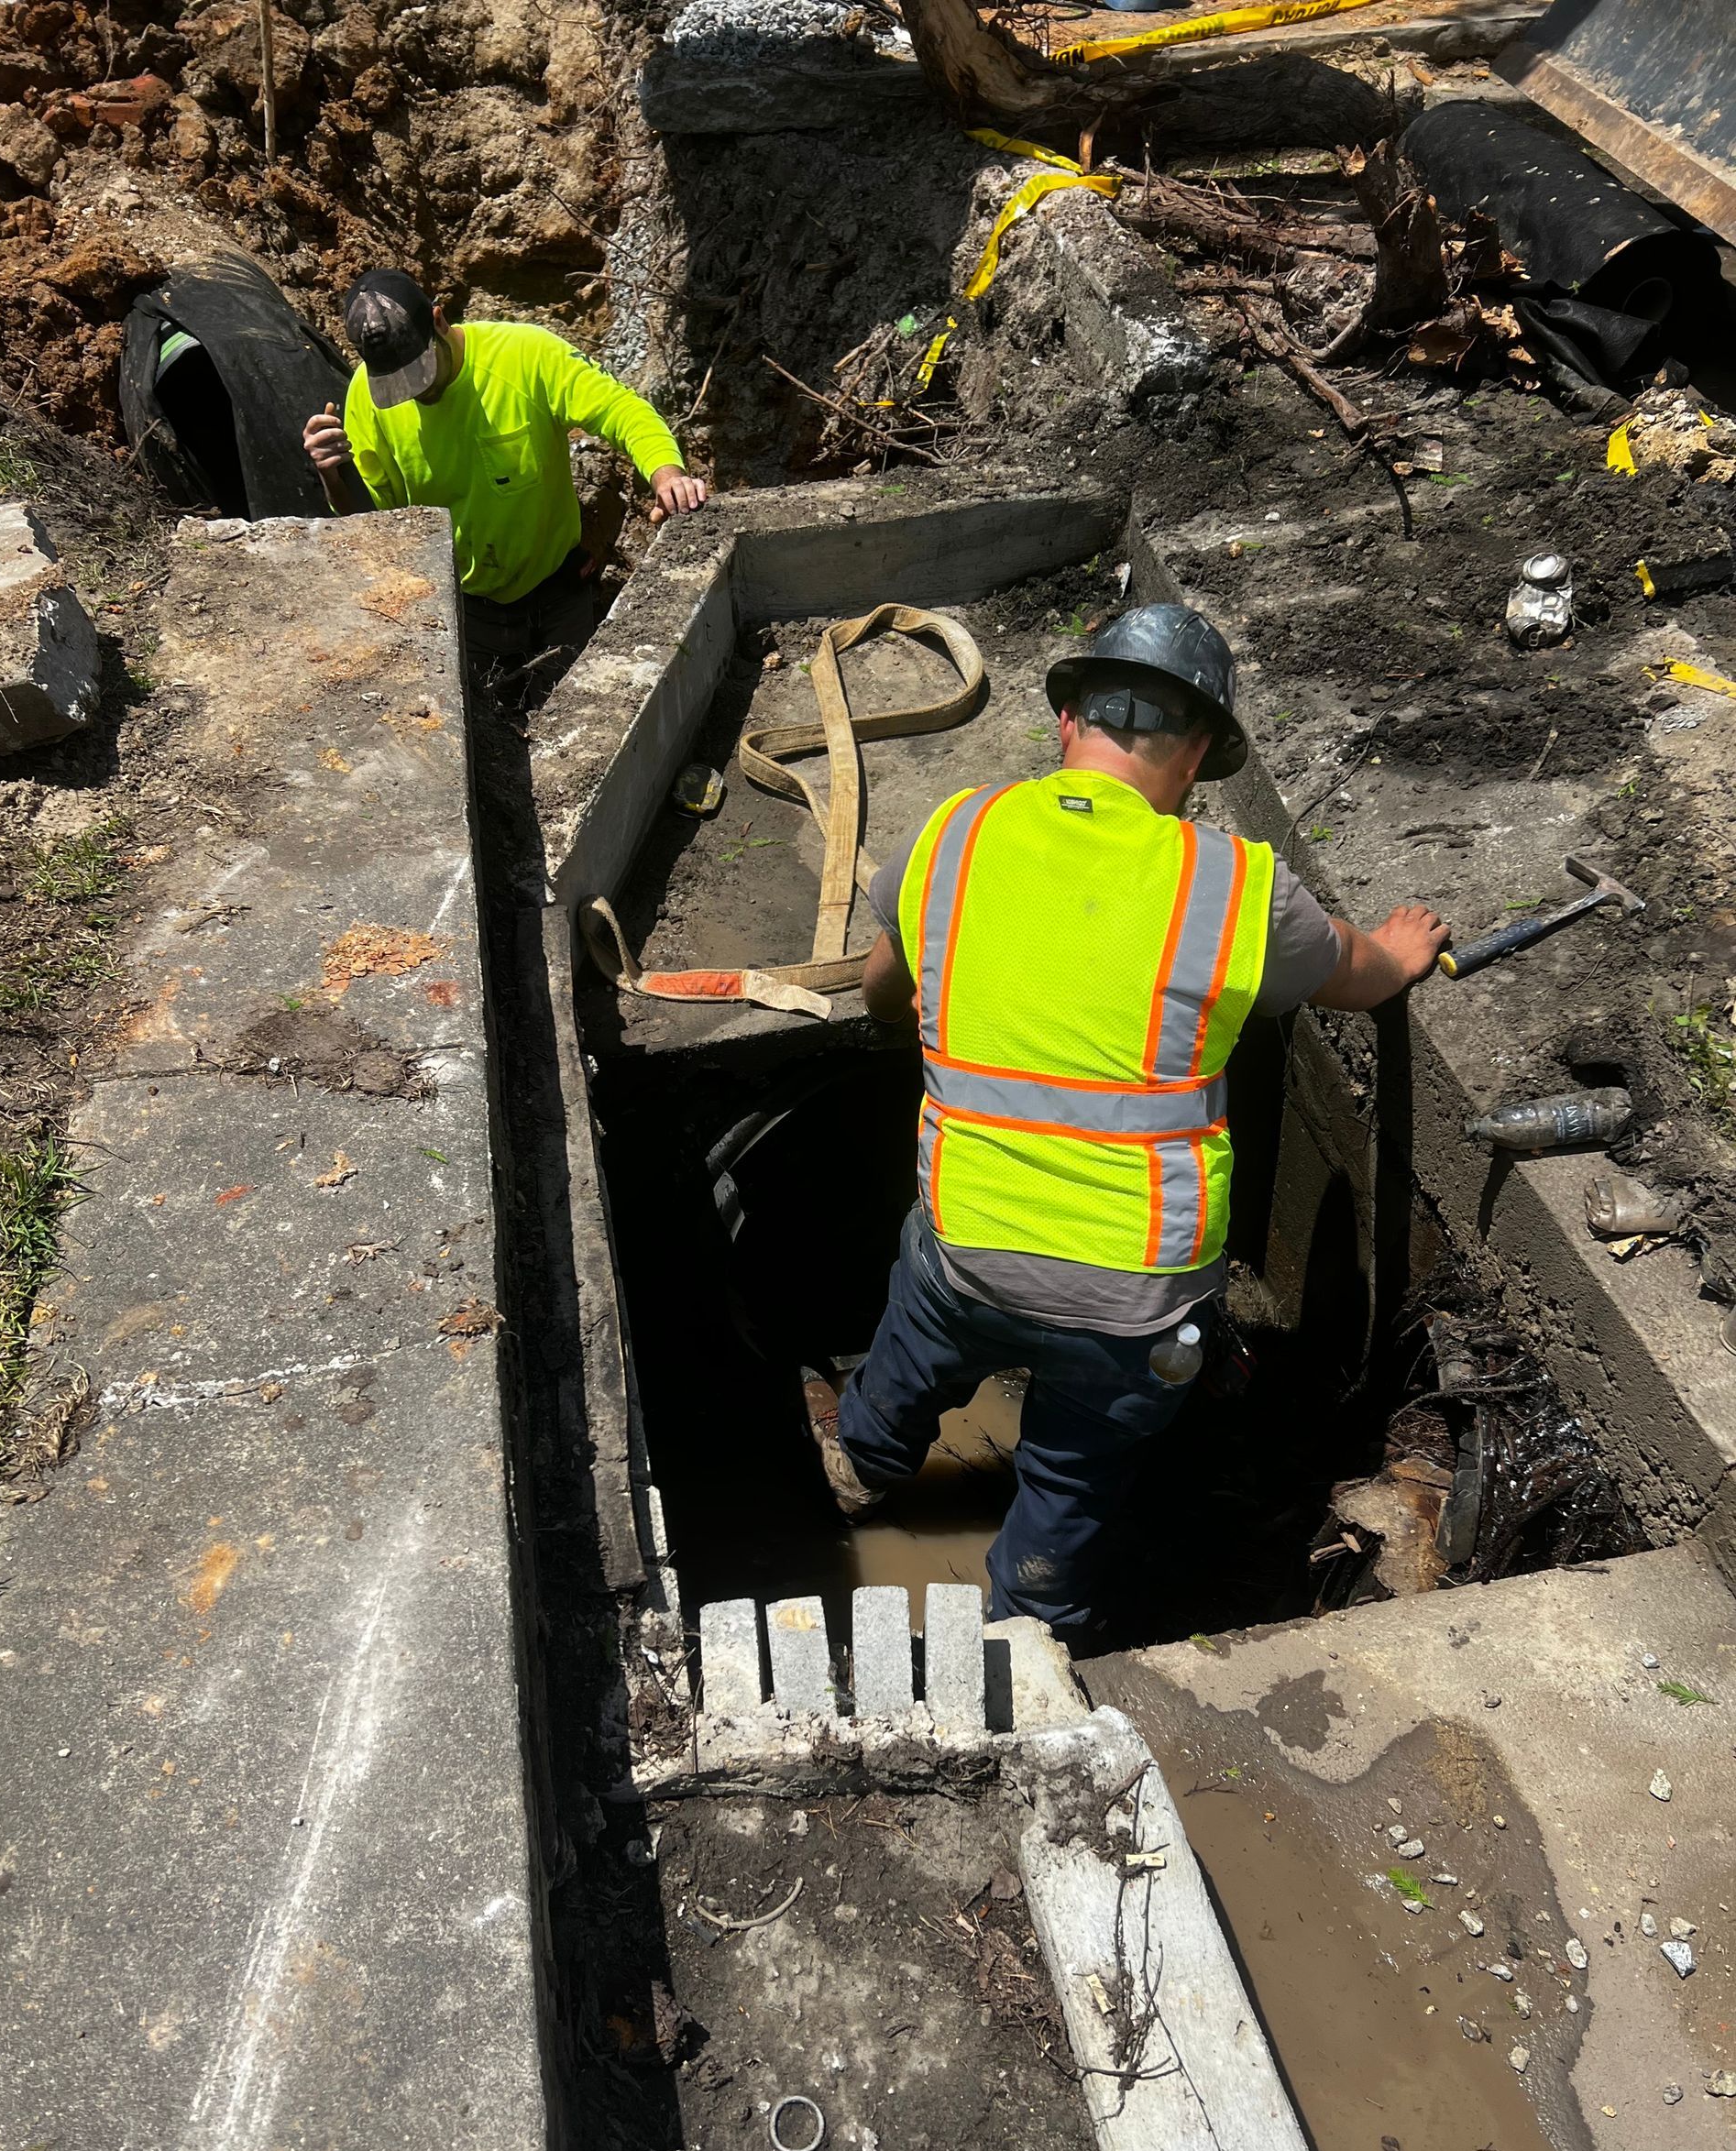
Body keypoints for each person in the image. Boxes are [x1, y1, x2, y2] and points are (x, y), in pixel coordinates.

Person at [801, 604, 1448, 1640]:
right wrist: (1401, 955)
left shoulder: (956, 831)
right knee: (1074, 1477)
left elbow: (885, 992)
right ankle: (1034, 1629)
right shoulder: (1236, 885)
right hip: (1140, 1298)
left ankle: (861, 1464)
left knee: (917, 1333)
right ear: (1198, 757)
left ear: (1067, 719)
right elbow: (1357, 976)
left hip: (968, 1251)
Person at [301, 269, 708, 664]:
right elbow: (374, 525)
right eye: (399, 382)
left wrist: (665, 472)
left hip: (558, 595)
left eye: (420, 372)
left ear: (439, 321)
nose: (415, 391)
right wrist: (333, 474)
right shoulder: (368, 400)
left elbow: (620, 409)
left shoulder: (525, 355)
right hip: (462, 610)